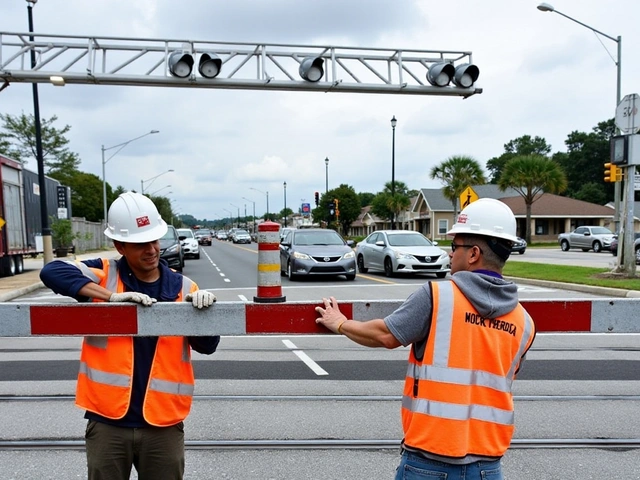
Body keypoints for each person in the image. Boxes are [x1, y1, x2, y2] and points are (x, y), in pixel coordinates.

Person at [316, 198, 536, 479]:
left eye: (455, 246)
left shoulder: (438, 296)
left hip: (429, 463)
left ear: (473, 254)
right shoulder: (524, 322)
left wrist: (341, 323)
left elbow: (386, 335)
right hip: (488, 467)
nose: (450, 252)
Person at [40, 191, 219, 480]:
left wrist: (205, 315)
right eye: (140, 244)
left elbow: (208, 346)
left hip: (163, 422)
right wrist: (110, 297)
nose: (151, 249)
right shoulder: (105, 274)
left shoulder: (185, 286)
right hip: (108, 420)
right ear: (120, 245)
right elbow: (52, 271)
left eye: (154, 240)